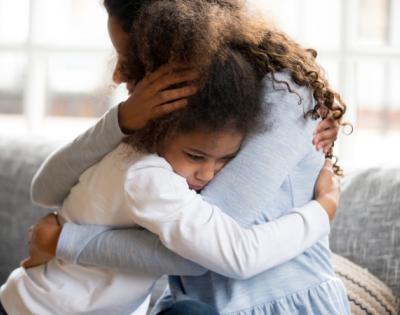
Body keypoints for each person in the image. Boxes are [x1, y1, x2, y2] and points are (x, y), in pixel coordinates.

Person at [5, 1, 347, 314]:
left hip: (276, 304)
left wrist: (65, 240)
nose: (119, 75)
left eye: (129, 56)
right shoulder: (171, 124)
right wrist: (121, 119)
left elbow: (212, 252)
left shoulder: (283, 92)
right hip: (192, 303)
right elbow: (46, 188)